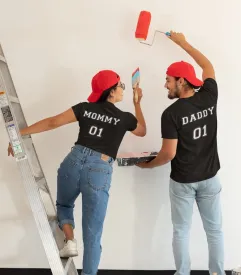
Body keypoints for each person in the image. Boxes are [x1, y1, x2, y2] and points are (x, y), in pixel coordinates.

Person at [8, 69, 147, 275]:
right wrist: (137, 102)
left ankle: (70, 240)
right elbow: (142, 131)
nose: (122, 90)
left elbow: (53, 122)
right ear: (111, 92)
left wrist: (19, 134)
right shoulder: (124, 118)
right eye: (121, 86)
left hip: (73, 161)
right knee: (92, 235)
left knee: (64, 205)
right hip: (99, 169)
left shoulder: (84, 108)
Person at [136, 31, 224, 275]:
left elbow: (168, 155)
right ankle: (217, 273)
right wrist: (183, 43)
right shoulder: (209, 96)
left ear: (182, 81)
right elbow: (207, 65)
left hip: (184, 182)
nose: (165, 84)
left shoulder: (171, 114)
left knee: (181, 231)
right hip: (209, 178)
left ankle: (182, 273)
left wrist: (147, 165)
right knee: (214, 230)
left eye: (169, 80)